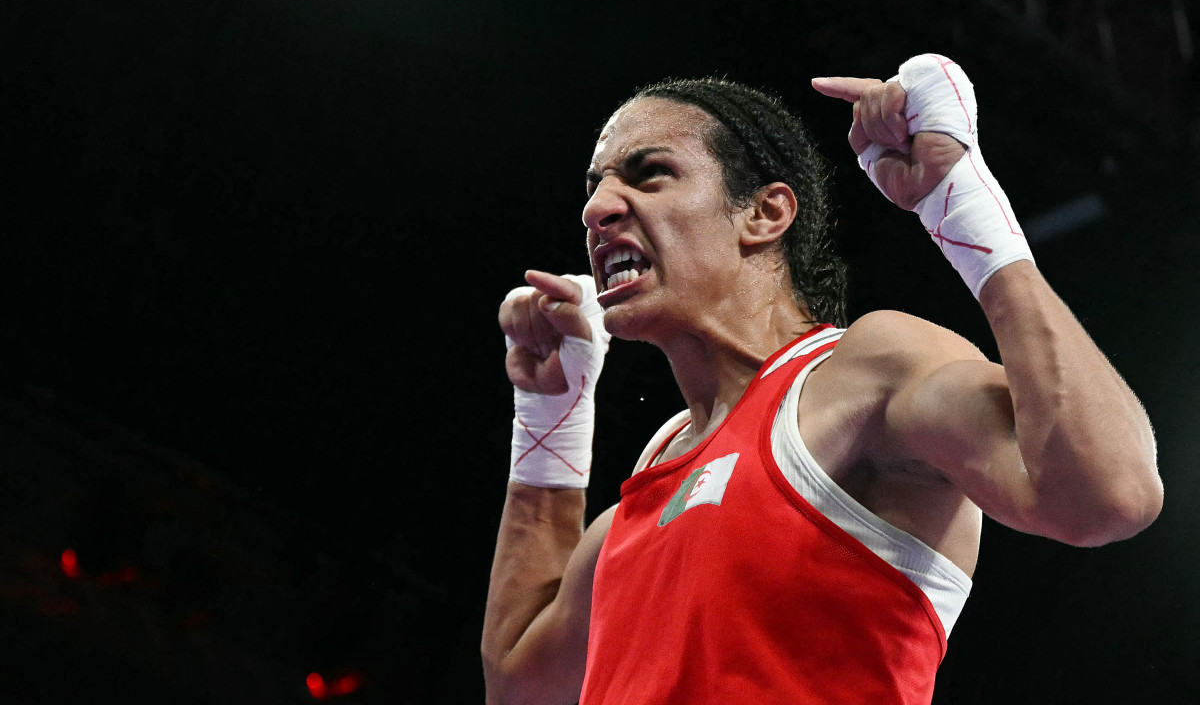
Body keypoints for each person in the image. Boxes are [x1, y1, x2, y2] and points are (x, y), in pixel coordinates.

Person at [482, 54, 1163, 705]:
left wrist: (962, 203)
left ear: (765, 213)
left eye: (648, 173)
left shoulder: (865, 375)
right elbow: (522, 685)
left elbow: (1108, 495)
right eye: (597, 184)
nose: (598, 208)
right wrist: (552, 415)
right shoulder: (660, 464)